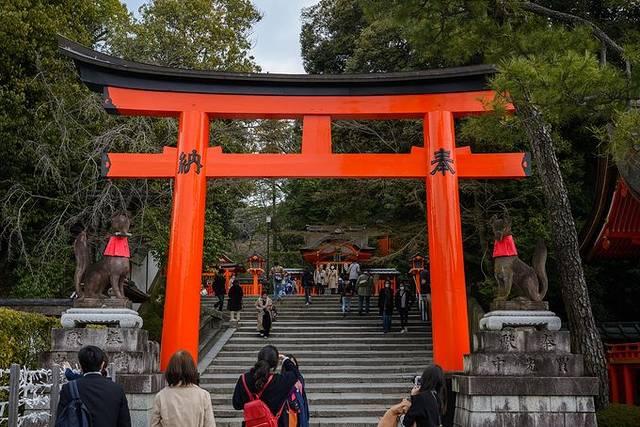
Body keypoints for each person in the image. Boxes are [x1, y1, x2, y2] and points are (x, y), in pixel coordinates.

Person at [55, 345, 131, 427]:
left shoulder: (68, 388)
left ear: (80, 365)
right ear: (102, 364)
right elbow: (125, 424)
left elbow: (60, 420)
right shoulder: (117, 389)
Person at [232, 345, 300, 427]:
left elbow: (237, 405)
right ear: (275, 364)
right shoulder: (280, 381)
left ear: (258, 360)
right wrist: (285, 360)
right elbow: (296, 373)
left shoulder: (243, 379)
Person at [150, 350, 215, 427]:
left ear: (170, 369)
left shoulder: (161, 396)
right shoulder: (203, 395)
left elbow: (154, 424)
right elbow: (210, 424)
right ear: (192, 369)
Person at [282, 355, 309, 427]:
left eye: (293, 363)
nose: (292, 365)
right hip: (290, 409)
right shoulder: (283, 378)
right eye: (290, 364)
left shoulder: (299, 378)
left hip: (301, 407)